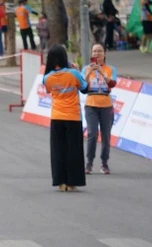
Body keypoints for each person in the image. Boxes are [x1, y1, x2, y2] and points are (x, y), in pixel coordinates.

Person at [43, 45, 88, 191]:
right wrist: (76, 69)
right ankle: (72, 181)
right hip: (73, 116)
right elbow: (85, 88)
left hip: (56, 116)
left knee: (58, 150)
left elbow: (50, 90)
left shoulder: (47, 78)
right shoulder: (73, 74)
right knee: (73, 150)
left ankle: (60, 182)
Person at [83, 44, 117, 175]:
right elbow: (83, 86)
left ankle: (104, 163)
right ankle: (89, 163)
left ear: (105, 54)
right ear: (91, 54)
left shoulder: (110, 69)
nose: (97, 54)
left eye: (100, 51)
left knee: (106, 136)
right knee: (92, 134)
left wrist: (101, 72)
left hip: (106, 105)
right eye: (95, 51)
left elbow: (112, 84)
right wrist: (90, 72)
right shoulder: (86, 68)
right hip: (91, 104)